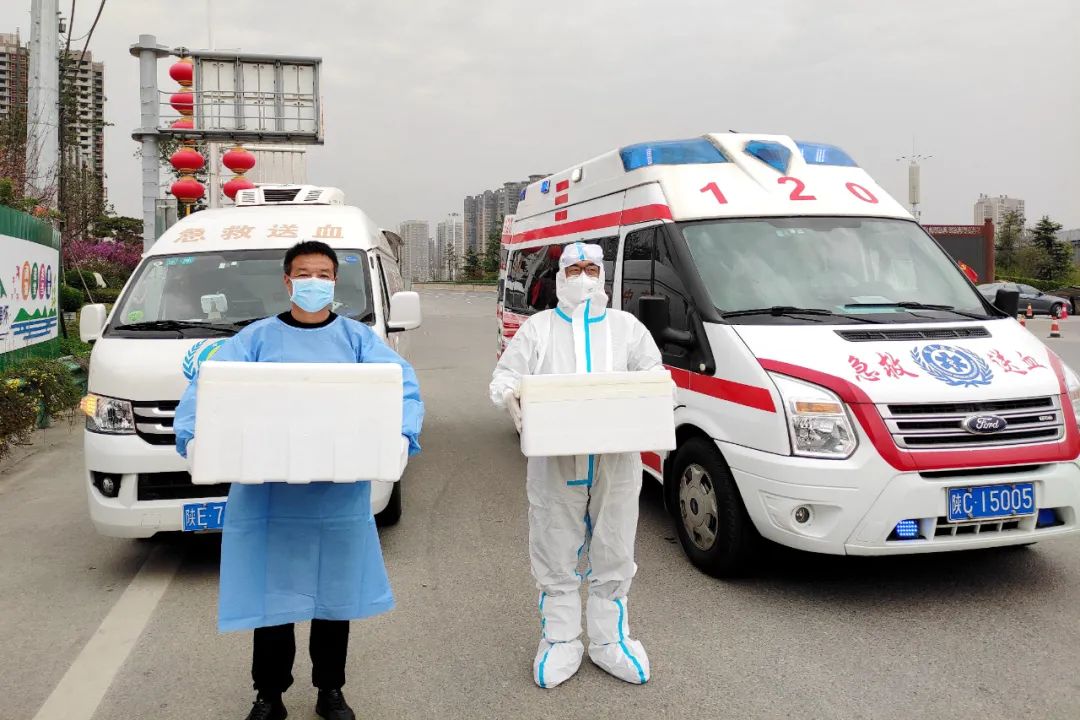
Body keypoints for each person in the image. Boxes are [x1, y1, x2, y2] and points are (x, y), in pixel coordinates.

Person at [174, 240, 424, 720]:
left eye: (324, 275)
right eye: (305, 274)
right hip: (268, 493)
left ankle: (331, 690)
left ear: (335, 282)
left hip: (336, 492)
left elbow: (402, 390)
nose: (314, 282)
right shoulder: (255, 340)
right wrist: (193, 437)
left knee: (335, 597)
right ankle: (269, 695)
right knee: (272, 598)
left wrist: (401, 433)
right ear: (288, 281)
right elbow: (207, 389)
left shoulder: (357, 340)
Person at [489, 241, 665, 689]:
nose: (583, 276)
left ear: (602, 274)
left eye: (590, 268)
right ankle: (560, 639)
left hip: (616, 459)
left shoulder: (626, 328)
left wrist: (657, 396)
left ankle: (610, 639)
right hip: (555, 459)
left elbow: (653, 372)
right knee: (554, 545)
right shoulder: (539, 328)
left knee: (616, 546)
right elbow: (505, 374)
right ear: (560, 276)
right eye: (574, 269)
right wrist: (511, 395)